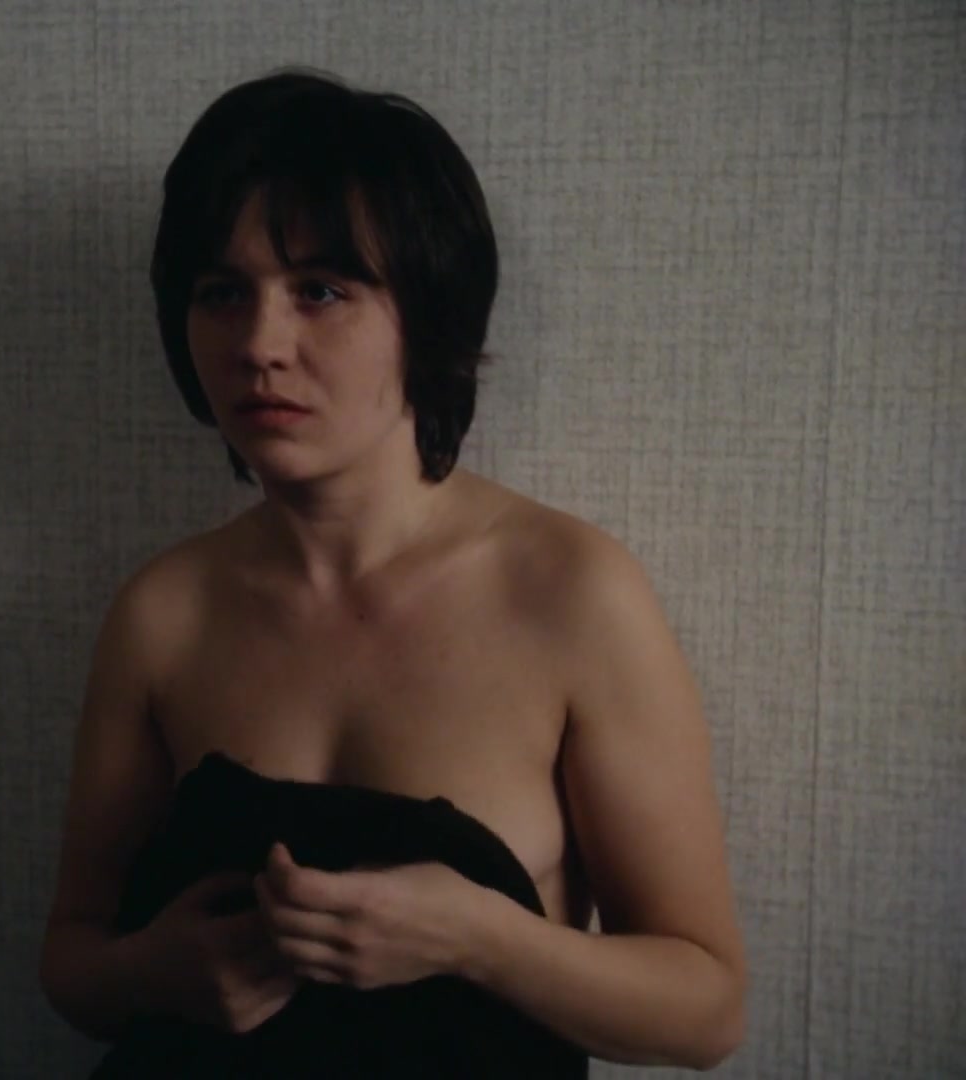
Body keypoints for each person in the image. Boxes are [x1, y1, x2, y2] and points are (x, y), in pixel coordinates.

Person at [39, 69, 746, 1075]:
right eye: (222, 292)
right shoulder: (165, 611)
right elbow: (71, 957)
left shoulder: (572, 595)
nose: (259, 344)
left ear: (430, 313)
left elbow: (707, 1010)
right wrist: (155, 973)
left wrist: (479, 937)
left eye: (321, 290)